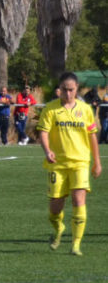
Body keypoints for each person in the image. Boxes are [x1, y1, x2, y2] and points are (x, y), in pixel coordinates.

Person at [36, 72, 102, 256]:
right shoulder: (50, 109)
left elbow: (92, 137)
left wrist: (97, 162)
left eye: (71, 90)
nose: (68, 94)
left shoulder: (85, 110)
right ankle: (58, 229)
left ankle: (76, 244)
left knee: (78, 200)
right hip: (57, 163)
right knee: (55, 207)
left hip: (80, 162)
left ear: (77, 89)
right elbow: (43, 132)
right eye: (64, 90)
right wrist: (47, 150)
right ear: (59, 89)